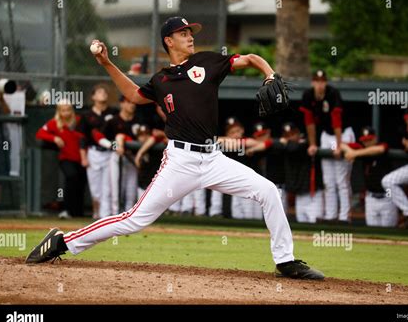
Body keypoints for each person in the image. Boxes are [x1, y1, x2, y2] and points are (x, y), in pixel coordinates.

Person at [26, 16, 324, 280]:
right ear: (169, 41)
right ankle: (62, 242)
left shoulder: (208, 62)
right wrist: (106, 62)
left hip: (214, 159)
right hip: (180, 161)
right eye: (183, 33)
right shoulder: (162, 79)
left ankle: (285, 261)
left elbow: (249, 57)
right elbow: (132, 93)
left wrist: (269, 73)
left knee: (268, 190)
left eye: (190, 32)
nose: (190, 36)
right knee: (133, 220)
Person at [299, 70, 355, 223]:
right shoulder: (308, 95)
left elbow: (336, 120)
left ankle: (345, 216)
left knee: (341, 180)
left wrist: (339, 145)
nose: (319, 84)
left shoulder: (333, 93)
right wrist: (312, 144)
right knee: (328, 180)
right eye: (316, 81)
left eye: (322, 81)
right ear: (312, 82)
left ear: (326, 82)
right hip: (326, 135)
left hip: (343, 133)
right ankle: (331, 215)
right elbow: (309, 121)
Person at [247, 122, 324, 223]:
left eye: (293, 134)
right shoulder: (279, 146)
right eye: (287, 135)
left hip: (313, 194)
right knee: (298, 224)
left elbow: (293, 147)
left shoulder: (306, 144)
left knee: (315, 226)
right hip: (299, 195)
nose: (290, 137)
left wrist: (281, 142)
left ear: (298, 133)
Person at [36, 100, 87, 218]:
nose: (66, 113)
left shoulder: (79, 121)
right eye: (63, 110)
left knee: (81, 183)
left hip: (82, 158)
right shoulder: (55, 123)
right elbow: (40, 133)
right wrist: (54, 138)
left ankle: (78, 213)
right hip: (66, 158)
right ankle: (67, 209)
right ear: (59, 111)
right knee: (71, 177)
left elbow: (86, 135)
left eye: (68, 110)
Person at [341, 127, 397, 227]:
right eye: (365, 140)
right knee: (372, 232)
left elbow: (381, 149)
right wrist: (350, 151)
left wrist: (354, 153)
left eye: (370, 139)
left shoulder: (381, 145)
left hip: (387, 196)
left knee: (389, 232)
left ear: (375, 138)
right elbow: (337, 145)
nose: (367, 142)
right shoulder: (360, 148)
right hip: (371, 198)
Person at [96, 95, 142, 215]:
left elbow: (144, 138)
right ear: (121, 104)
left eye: (133, 103)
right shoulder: (113, 120)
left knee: (131, 191)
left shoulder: (138, 120)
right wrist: (116, 147)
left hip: (132, 158)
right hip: (115, 157)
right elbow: (99, 137)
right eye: (128, 102)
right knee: (115, 189)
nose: (131, 105)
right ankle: (114, 215)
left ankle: (128, 217)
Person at [79, 84, 118, 219]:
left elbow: (116, 134)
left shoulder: (113, 113)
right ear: (93, 96)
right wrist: (83, 157)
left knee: (107, 187)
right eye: (99, 92)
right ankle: (96, 211)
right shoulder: (87, 115)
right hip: (93, 152)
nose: (103, 94)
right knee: (95, 188)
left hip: (110, 153)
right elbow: (83, 138)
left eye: (105, 92)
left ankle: (105, 216)